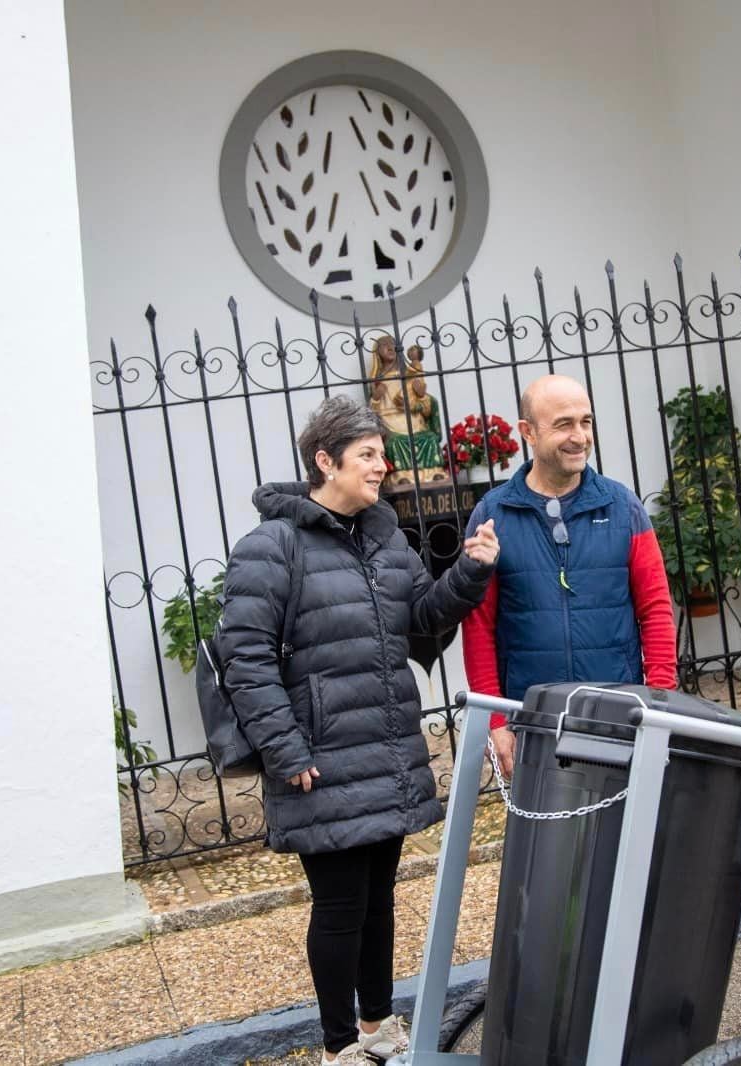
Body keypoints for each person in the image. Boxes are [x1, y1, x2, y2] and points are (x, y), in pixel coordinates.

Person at [217, 396, 499, 1066]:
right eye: (368, 455)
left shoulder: (383, 538)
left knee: (377, 904)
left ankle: (378, 1028)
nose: (382, 468)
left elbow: (422, 621)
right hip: (320, 757)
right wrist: (285, 749)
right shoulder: (271, 546)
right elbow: (244, 657)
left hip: (384, 751)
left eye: (382, 454)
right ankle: (340, 1045)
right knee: (339, 908)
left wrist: (469, 570)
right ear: (325, 459)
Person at [460, 374, 677, 776]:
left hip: (619, 717)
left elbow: (656, 609)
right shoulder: (492, 516)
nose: (579, 436)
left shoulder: (624, 507)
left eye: (586, 422)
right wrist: (495, 721)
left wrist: (659, 702)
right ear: (528, 432)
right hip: (534, 724)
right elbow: (477, 628)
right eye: (563, 424)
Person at [367, 334, 445, 485]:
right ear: (378, 352)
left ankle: (434, 472)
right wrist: (376, 397)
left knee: (428, 438)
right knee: (395, 442)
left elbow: (427, 408)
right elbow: (371, 415)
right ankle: (401, 476)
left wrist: (421, 396)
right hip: (390, 423)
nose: (390, 348)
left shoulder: (410, 374)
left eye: (392, 344)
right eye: (385, 345)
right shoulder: (376, 381)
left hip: (414, 420)